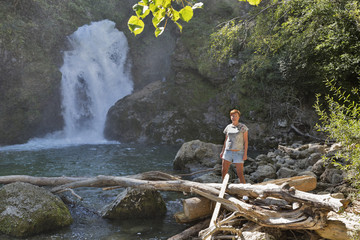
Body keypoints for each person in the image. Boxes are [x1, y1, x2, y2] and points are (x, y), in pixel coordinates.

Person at [220, 109, 248, 183]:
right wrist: (222, 151)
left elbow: (246, 141)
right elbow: (226, 140)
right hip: (227, 151)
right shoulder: (228, 127)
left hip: (238, 152)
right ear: (230, 117)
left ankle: (245, 192)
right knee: (224, 170)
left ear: (238, 117)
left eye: (235, 116)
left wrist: (245, 154)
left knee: (240, 174)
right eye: (232, 116)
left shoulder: (243, 127)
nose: (234, 117)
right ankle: (224, 187)